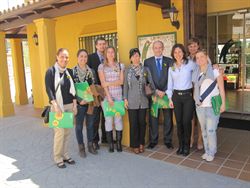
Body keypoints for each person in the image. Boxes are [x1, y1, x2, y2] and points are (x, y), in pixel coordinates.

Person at [45, 48, 77, 168]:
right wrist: (55, 106)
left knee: (67, 133)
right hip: (57, 106)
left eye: (67, 57)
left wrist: (75, 105)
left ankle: (65, 154)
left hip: (69, 106)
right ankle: (57, 157)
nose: (65, 59)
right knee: (59, 133)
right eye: (62, 56)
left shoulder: (69, 72)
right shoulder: (51, 71)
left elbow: (73, 90)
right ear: (57, 57)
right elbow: (49, 90)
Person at [193, 49, 226, 162]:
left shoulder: (215, 71)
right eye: (197, 58)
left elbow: (221, 89)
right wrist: (196, 99)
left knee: (211, 130)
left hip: (212, 106)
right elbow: (196, 88)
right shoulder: (196, 72)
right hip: (200, 107)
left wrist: (223, 104)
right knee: (204, 130)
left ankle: (212, 152)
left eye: (202, 56)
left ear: (207, 57)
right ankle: (207, 151)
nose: (200, 59)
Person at [124, 48, 155, 154]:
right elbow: (125, 87)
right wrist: (125, 99)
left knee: (142, 123)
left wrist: (152, 90)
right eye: (133, 56)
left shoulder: (145, 69)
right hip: (131, 101)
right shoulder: (127, 71)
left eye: (137, 55)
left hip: (143, 101)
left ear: (140, 57)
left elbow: (151, 83)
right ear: (131, 58)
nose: (136, 58)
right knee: (134, 124)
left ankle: (141, 143)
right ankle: (135, 144)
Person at [166, 43, 195, 156]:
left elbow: (202, 68)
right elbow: (169, 85)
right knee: (178, 122)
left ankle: (187, 146)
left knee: (186, 121)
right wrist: (170, 98)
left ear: (183, 53)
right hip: (176, 97)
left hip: (188, 96)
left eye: (180, 52)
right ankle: (181, 145)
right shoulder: (171, 67)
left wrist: (215, 66)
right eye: (175, 52)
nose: (178, 54)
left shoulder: (190, 64)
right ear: (173, 54)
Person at [144, 40, 174, 150]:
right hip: (154, 95)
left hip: (166, 94)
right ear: (153, 49)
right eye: (155, 48)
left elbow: (172, 78)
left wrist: (165, 90)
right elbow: (147, 79)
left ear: (163, 48)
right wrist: (155, 90)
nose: (158, 49)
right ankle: (153, 140)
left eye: (159, 47)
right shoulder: (147, 62)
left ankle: (168, 140)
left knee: (168, 119)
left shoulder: (170, 61)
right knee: (153, 118)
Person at [98, 46, 125, 152]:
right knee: (108, 120)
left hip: (118, 96)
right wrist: (108, 97)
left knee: (118, 119)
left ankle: (118, 143)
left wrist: (108, 83)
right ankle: (110, 145)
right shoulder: (101, 67)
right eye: (108, 52)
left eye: (112, 52)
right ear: (105, 54)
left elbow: (121, 81)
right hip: (107, 96)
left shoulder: (120, 65)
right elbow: (102, 84)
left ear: (115, 53)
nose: (110, 54)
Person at [72, 49, 98, 158]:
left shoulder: (91, 71)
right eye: (81, 56)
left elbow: (94, 86)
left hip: (90, 102)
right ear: (77, 58)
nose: (83, 59)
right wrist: (79, 100)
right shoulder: (72, 72)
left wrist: (90, 97)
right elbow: (71, 89)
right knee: (78, 126)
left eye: (85, 57)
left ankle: (90, 145)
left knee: (90, 125)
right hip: (79, 103)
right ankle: (81, 147)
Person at [88, 37, 107, 149]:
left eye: (104, 44)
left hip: (105, 92)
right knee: (96, 117)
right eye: (100, 44)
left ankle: (105, 138)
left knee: (105, 116)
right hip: (95, 92)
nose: (102, 46)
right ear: (96, 46)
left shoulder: (107, 57)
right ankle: (95, 140)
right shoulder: (90, 58)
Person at [187, 37, 203, 150]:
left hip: (200, 90)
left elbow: (210, 70)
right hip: (188, 91)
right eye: (190, 46)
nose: (193, 47)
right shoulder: (186, 60)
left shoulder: (202, 57)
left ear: (198, 46)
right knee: (191, 117)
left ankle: (200, 140)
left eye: (194, 45)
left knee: (200, 117)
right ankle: (191, 138)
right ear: (188, 48)